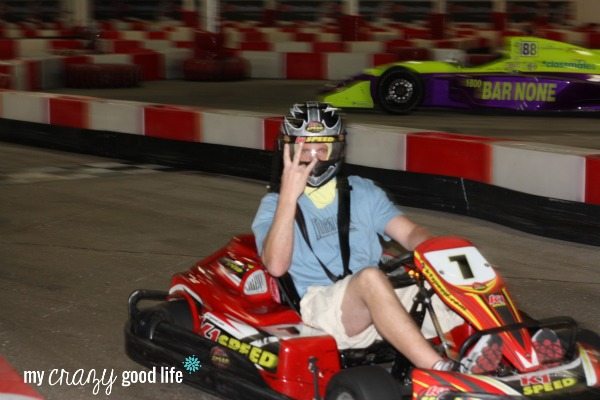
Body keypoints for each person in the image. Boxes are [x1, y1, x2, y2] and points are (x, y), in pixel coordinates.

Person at [252, 101, 462, 370]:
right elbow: (276, 265)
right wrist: (289, 198)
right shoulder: (274, 206)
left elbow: (409, 233)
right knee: (370, 279)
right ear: (288, 151)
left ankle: (505, 351)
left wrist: (444, 253)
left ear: (336, 150)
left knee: (456, 267)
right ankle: (438, 370)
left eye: (321, 149)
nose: (313, 158)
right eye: (304, 149)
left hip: (380, 300)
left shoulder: (363, 192)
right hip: (323, 310)